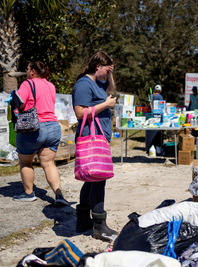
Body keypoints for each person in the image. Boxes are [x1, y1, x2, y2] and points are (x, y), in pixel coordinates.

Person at [72, 51, 118, 242]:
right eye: (106, 70)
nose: (108, 74)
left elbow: (111, 88)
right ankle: (100, 225)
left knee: (92, 179)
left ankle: (83, 220)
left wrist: (111, 73)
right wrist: (106, 105)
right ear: (97, 67)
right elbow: (80, 113)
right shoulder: (84, 84)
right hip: (90, 137)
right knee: (99, 179)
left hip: (99, 136)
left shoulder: (97, 82)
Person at [13, 61, 69, 206]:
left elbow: (19, 103)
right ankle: (59, 195)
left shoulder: (27, 83)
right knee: (49, 163)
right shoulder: (50, 85)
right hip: (53, 126)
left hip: (33, 127)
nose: (26, 71)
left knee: (26, 161)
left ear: (32, 72)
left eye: (27, 69)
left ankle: (29, 193)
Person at [146, 84, 164, 155]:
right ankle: (158, 147)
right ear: (160, 90)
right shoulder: (160, 96)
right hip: (159, 116)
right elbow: (162, 105)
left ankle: (152, 147)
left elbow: (148, 104)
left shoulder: (151, 96)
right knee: (159, 134)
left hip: (152, 116)